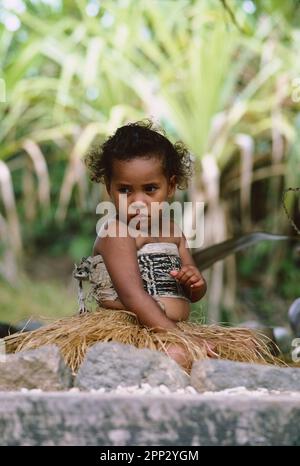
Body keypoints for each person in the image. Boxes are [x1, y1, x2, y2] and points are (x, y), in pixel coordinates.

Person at [4, 120, 277, 375]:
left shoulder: (173, 231)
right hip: (135, 328)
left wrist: (194, 282)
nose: (138, 201)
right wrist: (179, 337)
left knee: (250, 346)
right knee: (177, 355)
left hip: (173, 328)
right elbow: (134, 297)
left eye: (150, 189)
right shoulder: (117, 234)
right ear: (109, 188)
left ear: (170, 187)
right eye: (125, 190)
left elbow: (193, 291)